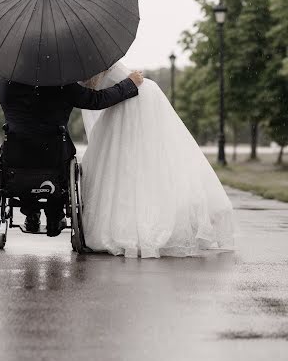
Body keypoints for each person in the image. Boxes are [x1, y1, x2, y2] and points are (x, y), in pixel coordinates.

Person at [81, 62, 235, 257]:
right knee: (138, 162)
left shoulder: (92, 59)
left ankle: (139, 223)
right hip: (127, 98)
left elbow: (94, 94)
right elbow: (94, 97)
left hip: (134, 98)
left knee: (145, 159)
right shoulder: (97, 58)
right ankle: (143, 220)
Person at [0, 71, 143, 236]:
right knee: (60, 170)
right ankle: (55, 216)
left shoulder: (2, 83)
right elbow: (98, 100)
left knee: (23, 163)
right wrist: (129, 84)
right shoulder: (63, 86)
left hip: (17, 155)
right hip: (54, 154)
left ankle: (31, 212)